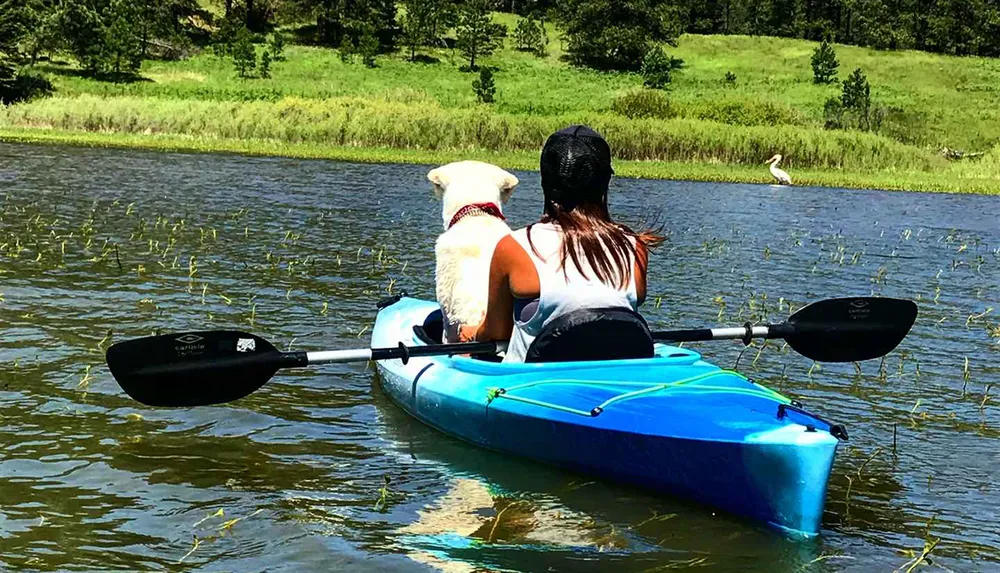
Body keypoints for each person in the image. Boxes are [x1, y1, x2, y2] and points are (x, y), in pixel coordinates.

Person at [460, 125, 663, 363]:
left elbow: (496, 332)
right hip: (615, 375)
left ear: (545, 180)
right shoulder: (633, 246)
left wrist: (470, 333)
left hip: (532, 381)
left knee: (464, 343)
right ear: (604, 182)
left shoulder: (514, 246)